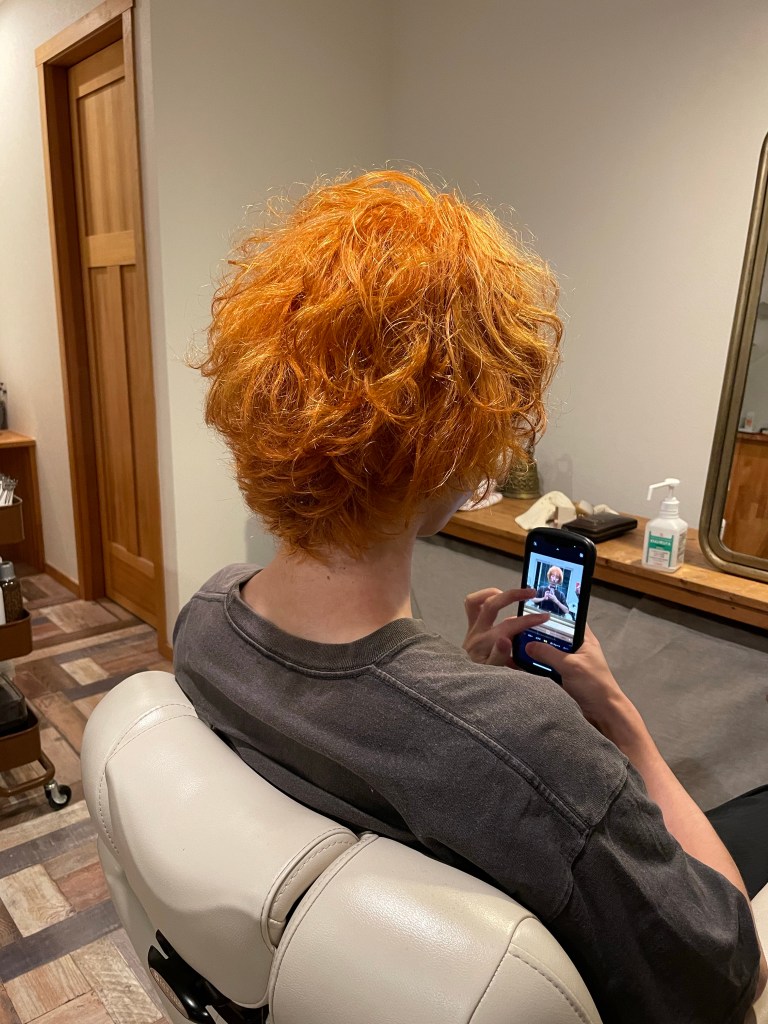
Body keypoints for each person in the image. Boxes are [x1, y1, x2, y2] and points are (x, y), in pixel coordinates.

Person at [174, 169, 767, 1023]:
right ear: (455, 444)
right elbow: (728, 971)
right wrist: (622, 725)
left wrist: (456, 685)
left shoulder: (204, 620)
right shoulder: (531, 744)